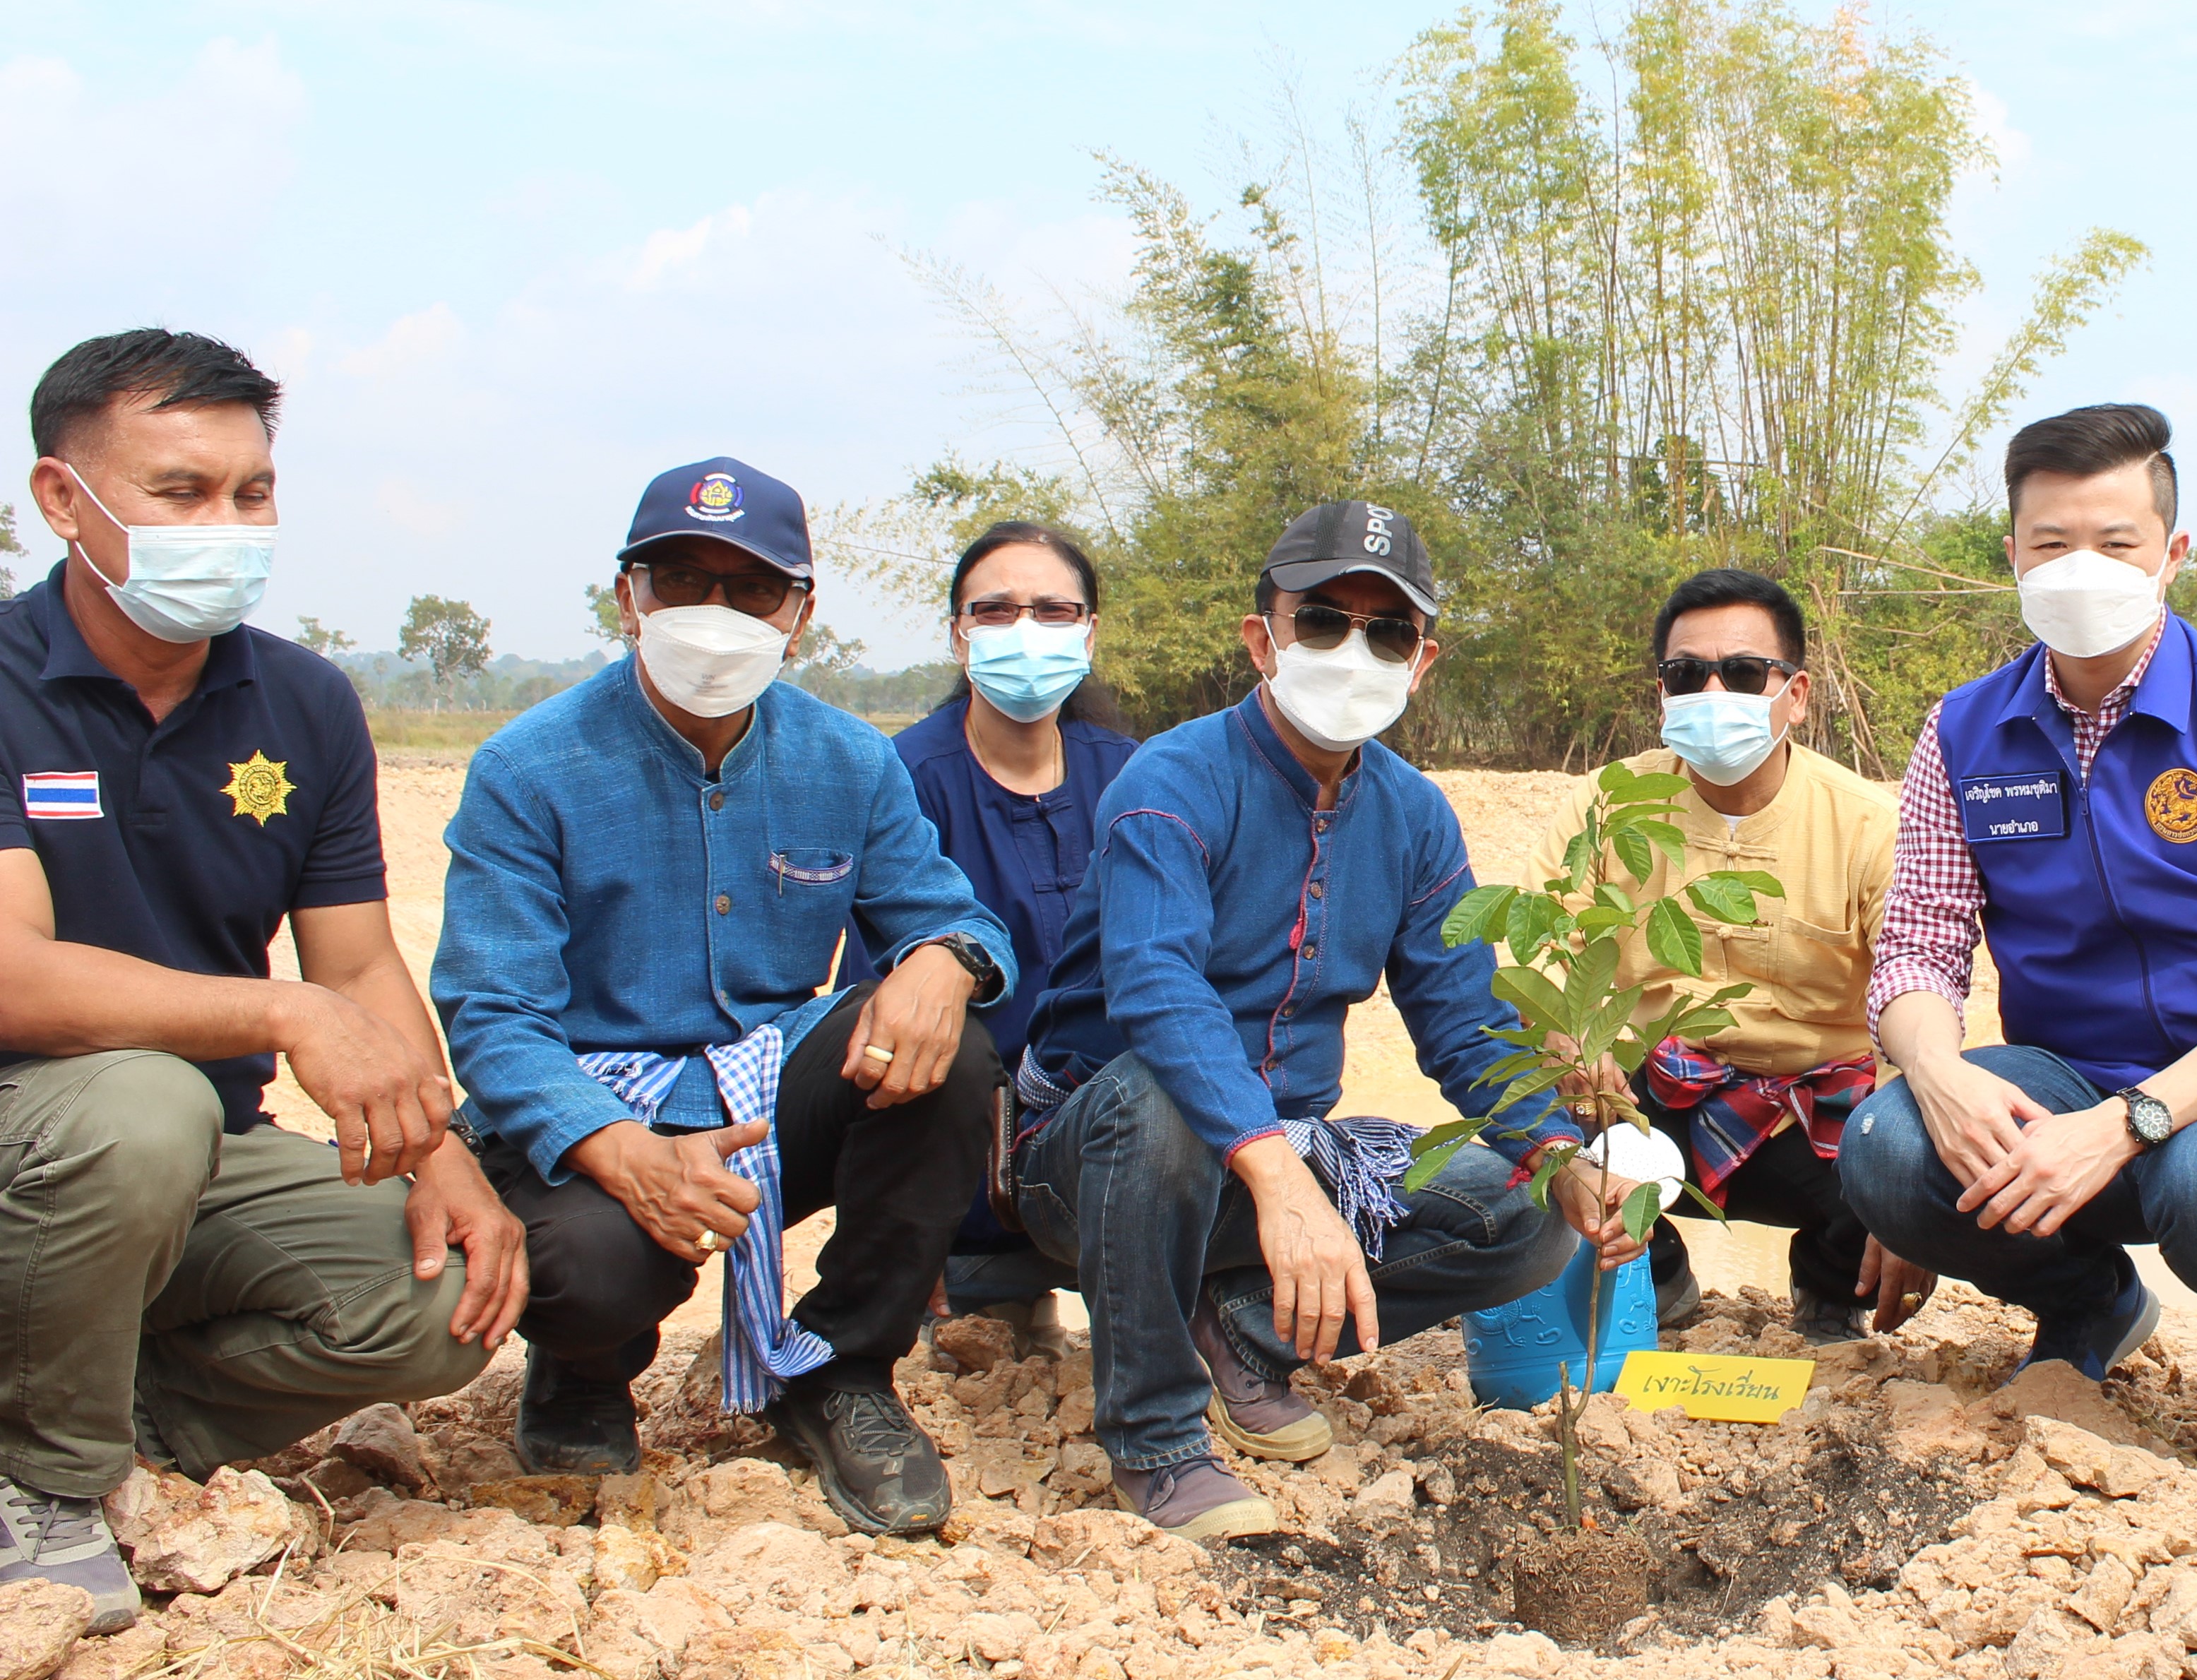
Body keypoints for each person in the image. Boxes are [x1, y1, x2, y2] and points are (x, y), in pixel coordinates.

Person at [0, 331, 518, 1634]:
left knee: (448, 1297)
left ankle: (115, 1418)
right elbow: (11, 976)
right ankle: (44, 1488)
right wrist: (277, 1012)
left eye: (252, 491)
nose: (226, 524)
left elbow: (352, 957)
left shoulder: (302, 702)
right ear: (63, 499)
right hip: (47, 1139)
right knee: (142, 1110)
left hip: (195, 1156)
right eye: (181, 493)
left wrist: (437, 1153)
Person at [1012, 501, 1636, 1542]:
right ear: (1263, 639)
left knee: (1521, 1210)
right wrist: (1276, 1177)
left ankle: (1241, 1325)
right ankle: (1158, 1442)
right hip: (1099, 1162)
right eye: (1323, 622)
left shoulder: (1414, 815)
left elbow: (1463, 1017)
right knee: (1160, 1096)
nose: (1355, 651)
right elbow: (1157, 990)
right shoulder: (1171, 780)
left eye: (1387, 631)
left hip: (1279, 1162)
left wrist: (1558, 1151)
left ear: (1421, 662)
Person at [435, 459, 1017, 1537]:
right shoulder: (530, 768)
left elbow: (959, 918)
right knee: (590, 1266)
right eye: (681, 581)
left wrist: (943, 962)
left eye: (749, 589)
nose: (715, 614)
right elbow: (493, 1015)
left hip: (763, 1095)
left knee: (953, 1051)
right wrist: (621, 1152)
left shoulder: (849, 761)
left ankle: (842, 1373)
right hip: (597, 1107)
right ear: (629, 598)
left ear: (798, 614)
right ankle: (583, 1371)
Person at [1843, 403, 2197, 1487]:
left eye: (2116, 543)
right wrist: (1936, 1076)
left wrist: (2133, 1122)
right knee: (1888, 1146)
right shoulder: (1963, 731)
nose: (2083, 569)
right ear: (2012, 557)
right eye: (2052, 544)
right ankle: (2089, 1304)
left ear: (2172, 556)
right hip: (2062, 1077)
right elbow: (1917, 949)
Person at [1591, 567, 1927, 1344]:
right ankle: (1658, 1273)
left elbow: (1922, 990)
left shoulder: (1871, 827)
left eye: (1742, 674)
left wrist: (1920, 1188)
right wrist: (1571, 1056)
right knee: (1539, 1118)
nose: (1713, 693)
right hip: (1658, 1097)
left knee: (1914, 1153)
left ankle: (1830, 1290)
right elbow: (1548, 955)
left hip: (1816, 1117)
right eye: (1686, 675)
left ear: (1797, 696)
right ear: (1662, 695)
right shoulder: (1610, 806)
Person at [864, 520, 1136, 1330]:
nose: (1027, 632)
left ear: (1088, 633)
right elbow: (872, 1002)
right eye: (996, 611)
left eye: (1055, 611)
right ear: (960, 636)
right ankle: (943, 1263)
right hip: (960, 1156)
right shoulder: (900, 780)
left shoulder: (1137, 775)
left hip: (1113, 1127)